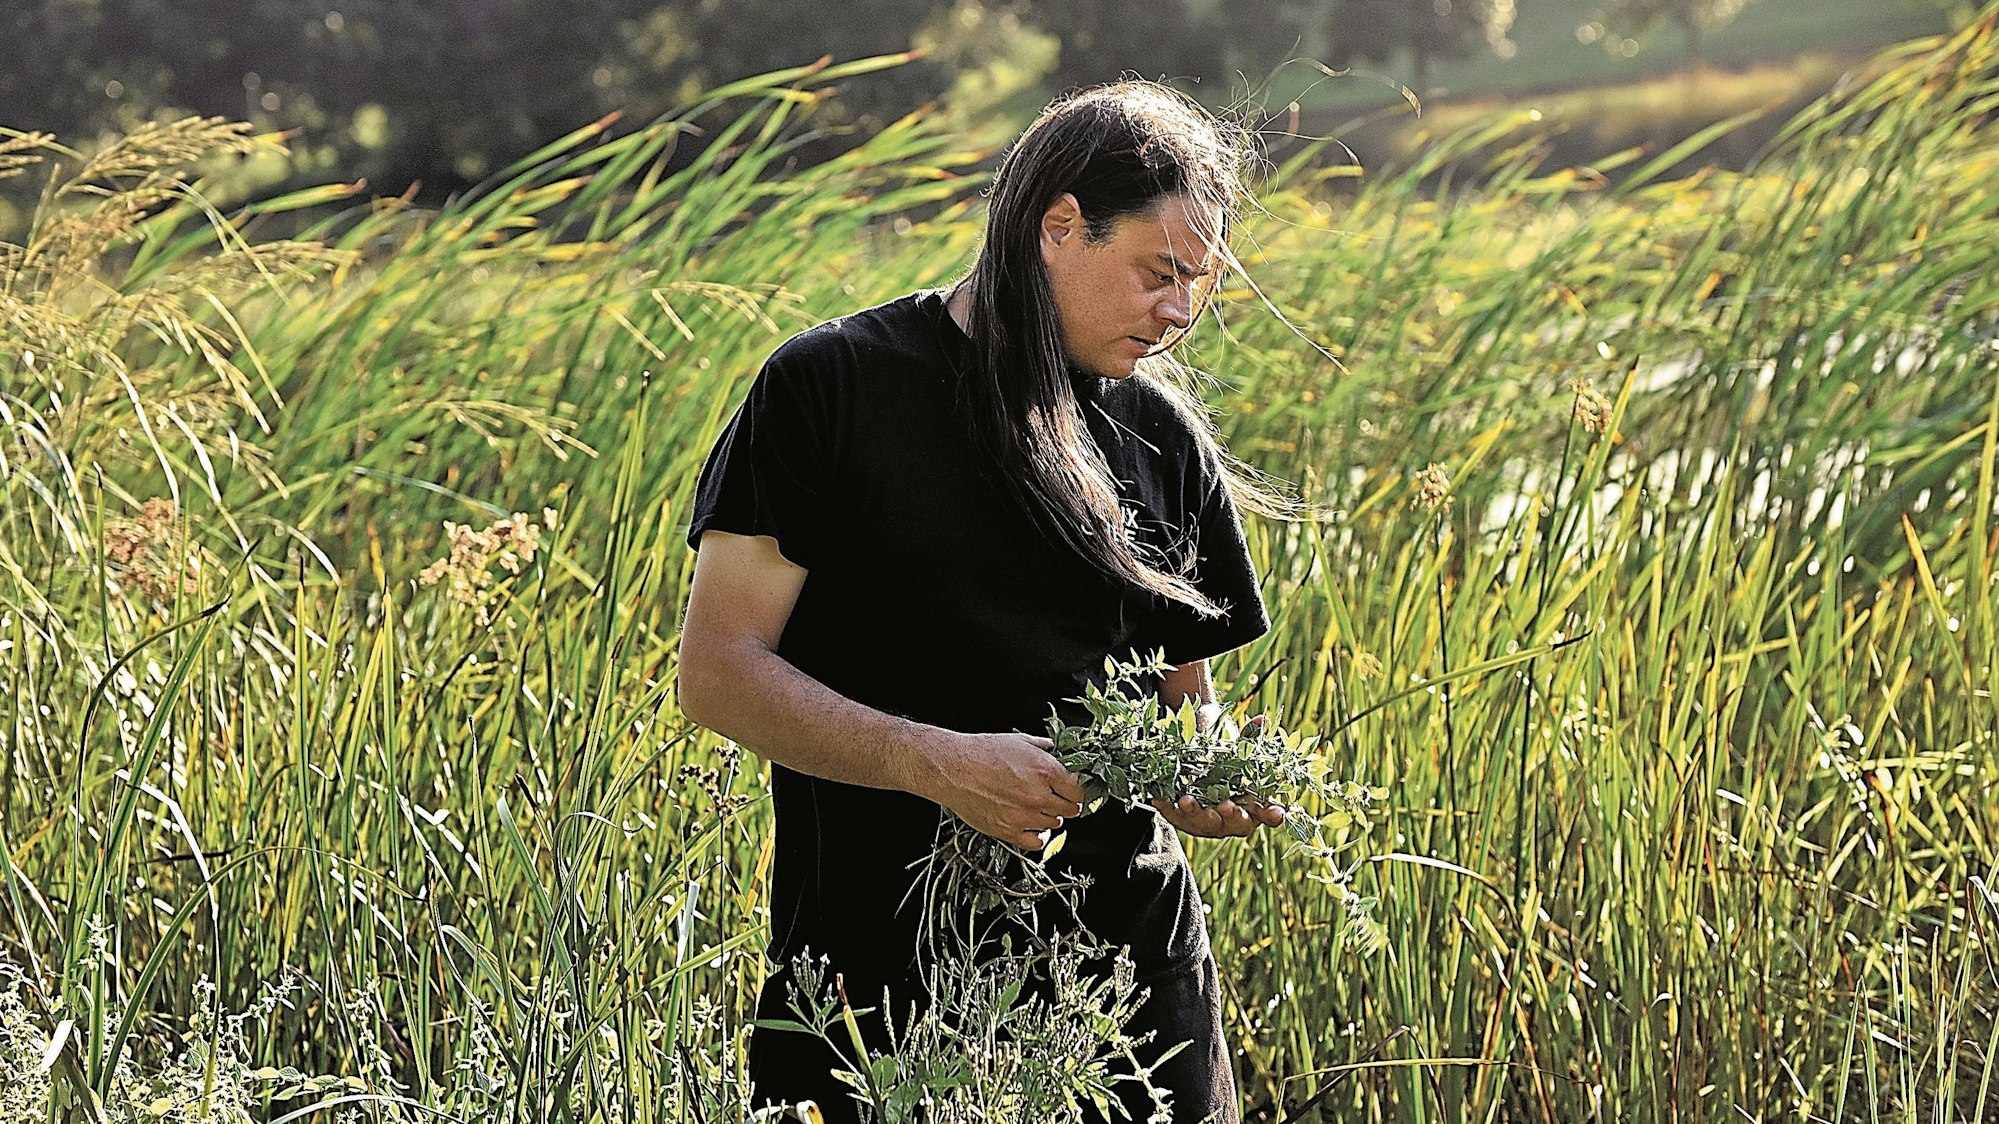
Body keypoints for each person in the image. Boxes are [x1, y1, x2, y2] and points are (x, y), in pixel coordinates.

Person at [678, 79, 1292, 1124]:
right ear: (1058, 225)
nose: (1182, 311)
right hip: (877, 985)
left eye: (1201, 283)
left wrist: (1203, 770)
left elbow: (1188, 693)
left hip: (1130, 993)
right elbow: (718, 673)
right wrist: (936, 761)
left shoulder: (1160, 434)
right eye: (1159, 273)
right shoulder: (831, 386)